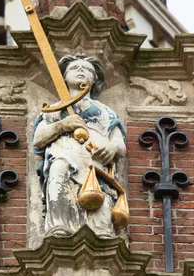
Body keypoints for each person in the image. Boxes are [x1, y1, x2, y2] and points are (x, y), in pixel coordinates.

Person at [33, 53, 126, 238]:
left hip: (94, 160)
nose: (81, 71)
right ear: (64, 77)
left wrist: (112, 148)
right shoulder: (55, 109)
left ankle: (101, 230)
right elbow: (38, 139)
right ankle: (60, 226)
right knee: (59, 173)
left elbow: (118, 142)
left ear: (95, 78)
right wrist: (62, 125)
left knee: (101, 192)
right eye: (75, 68)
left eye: (87, 69)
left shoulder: (104, 111)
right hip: (64, 154)